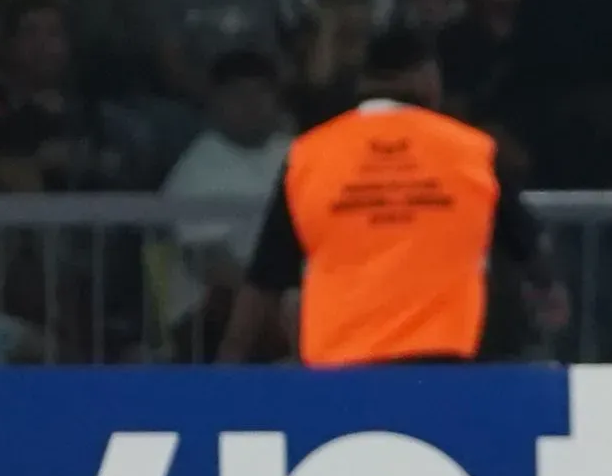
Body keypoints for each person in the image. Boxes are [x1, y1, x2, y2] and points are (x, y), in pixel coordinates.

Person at [218, 29, 554, 366]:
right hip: (445, 360)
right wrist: (549, 290)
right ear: (428, 77)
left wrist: (228, 360)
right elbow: (529, 250)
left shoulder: (310, 156)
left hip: (342, 363)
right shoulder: (471, 151)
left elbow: (265, 278)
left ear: (363, 82)